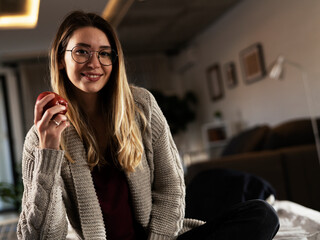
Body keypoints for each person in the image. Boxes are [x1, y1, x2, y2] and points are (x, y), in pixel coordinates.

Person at [17, 10, 279, 240]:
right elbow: (41, 236)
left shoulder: (142, 105)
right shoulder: (38, 139)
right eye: (82, 51)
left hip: (161, 238)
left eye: (104, 53)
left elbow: (171, 186)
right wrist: (48, 151)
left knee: (261, 215)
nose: (94, 63)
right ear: (61, 59)